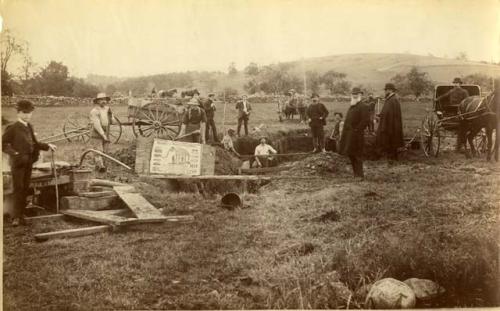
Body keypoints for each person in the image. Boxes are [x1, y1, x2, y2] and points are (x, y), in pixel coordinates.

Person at [2, 100, 57, 226]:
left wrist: (48, 145)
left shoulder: (29, 126)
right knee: (18, 188)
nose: (27, 115)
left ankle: (22, 214)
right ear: (19, 113)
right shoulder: (13, 127)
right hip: (18, 164)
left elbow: (35, 143)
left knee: (26, 188)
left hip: (28, 163)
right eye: (24, 113)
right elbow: (3, 144)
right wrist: (14, 153)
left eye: (29, 113)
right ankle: (15, 217)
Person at [339, 88, 370, 179]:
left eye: (356, 94)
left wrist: (357, 130)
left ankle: (360, 175)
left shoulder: (363, 106)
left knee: (357, 155)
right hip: (349, 135)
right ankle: (355, 174)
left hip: (357, 135)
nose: (354, 95)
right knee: (351, 154)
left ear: (360, 95)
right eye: (353, 94)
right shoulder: (352, 106)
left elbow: (365, 120)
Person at [435, 77, 469, 151]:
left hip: (461, 107)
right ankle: (449, 119)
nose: (456, 85)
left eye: (457, 83)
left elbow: (467, 100)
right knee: (448, 108)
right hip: (451, 107)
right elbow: (444, 96)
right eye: (455, 83)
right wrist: (437, 99)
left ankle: (460, 145)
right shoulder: (451, 91)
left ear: (460, 84)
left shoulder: (464, 92)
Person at [375, 83, 404, 162]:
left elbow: (393, 115)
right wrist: (380, 114)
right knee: (388, 141)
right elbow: (387, 112)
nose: (385, 92)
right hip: (388, 124)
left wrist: (388, 126)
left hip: (391, 126)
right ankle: (390, 158)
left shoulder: (393, 100)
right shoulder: (389, 99)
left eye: (386, 90)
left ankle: (392, 158)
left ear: (390, 90)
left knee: (391, 141)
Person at [89, 92, 113, 172]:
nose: (103, 101)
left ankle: (102, 166)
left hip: (106, 132)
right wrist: (103, 135)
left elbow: (111, 120)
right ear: (97, 101)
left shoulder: (107, 109)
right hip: (97, 133)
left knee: (105, 151)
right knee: (98, 151)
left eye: (105, 99)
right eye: (101, 100)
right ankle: (100, 167)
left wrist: (111, 116)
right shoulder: (94, 111)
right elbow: (97, 125)